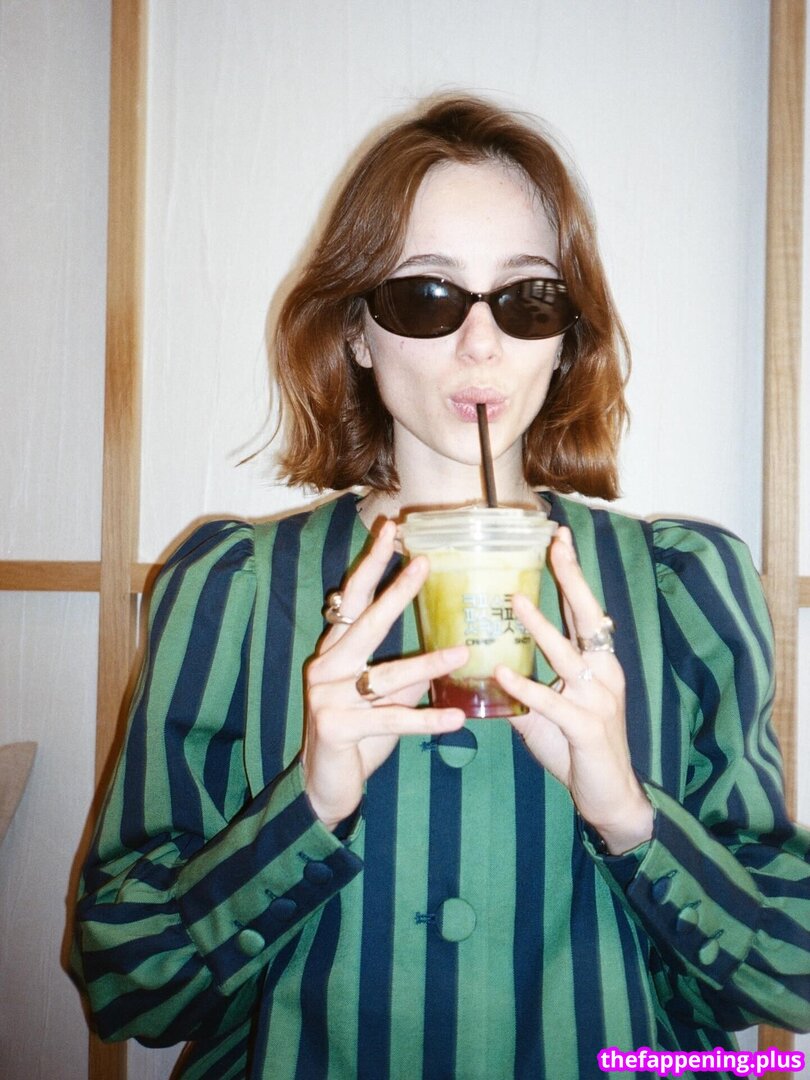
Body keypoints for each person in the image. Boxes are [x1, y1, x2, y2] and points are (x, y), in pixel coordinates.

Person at [71, 95, 810, 1079]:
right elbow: (127, 986)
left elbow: (789, 971)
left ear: (566, 332)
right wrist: (306, 807)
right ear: (358, 331)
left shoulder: (683, 587)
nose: (481, 345)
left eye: (527, 297)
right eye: (426, 296)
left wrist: (632, 818)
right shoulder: (234, 589)